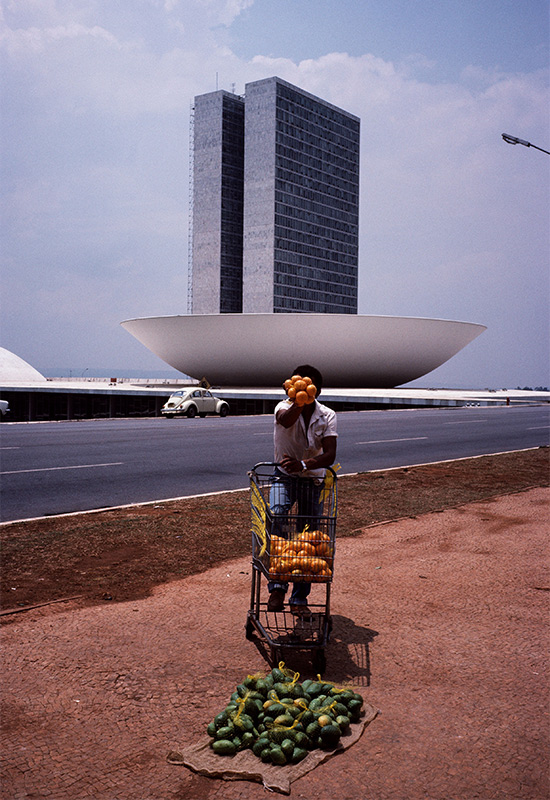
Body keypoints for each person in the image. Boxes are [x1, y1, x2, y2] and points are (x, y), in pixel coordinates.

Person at [267, 365, 337, 615]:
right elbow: (285, 421)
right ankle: (277, 586)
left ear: (316, 390)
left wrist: (305, 464)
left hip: (312, 479)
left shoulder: (327, 415)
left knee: (308, 538)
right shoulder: (283, 407)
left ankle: (299, 599)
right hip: (284, 476)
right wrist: (298, 402)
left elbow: (330, 454)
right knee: (277, 513)